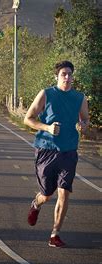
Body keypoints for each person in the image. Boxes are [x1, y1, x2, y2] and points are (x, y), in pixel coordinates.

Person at [24, 60, 90, 248]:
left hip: (68, 151)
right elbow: (28, 118)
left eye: (70, 74)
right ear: (57, 76)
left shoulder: (80, 98)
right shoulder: (46, 94)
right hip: (46, 150)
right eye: (63, 74)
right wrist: (47, 127)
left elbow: (85, 121)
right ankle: (36, 204)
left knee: (64, 193)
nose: (67, 77)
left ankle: (55, 234)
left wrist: (83, 126)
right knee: (47, 194)